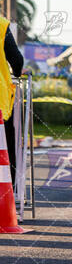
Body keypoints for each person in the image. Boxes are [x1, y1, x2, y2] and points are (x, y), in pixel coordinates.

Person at [0, 16, 24, 186]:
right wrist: (16, 73)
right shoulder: (1, 25)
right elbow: (16, 59)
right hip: (0, 100)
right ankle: (8, 189)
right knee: (5, 141)